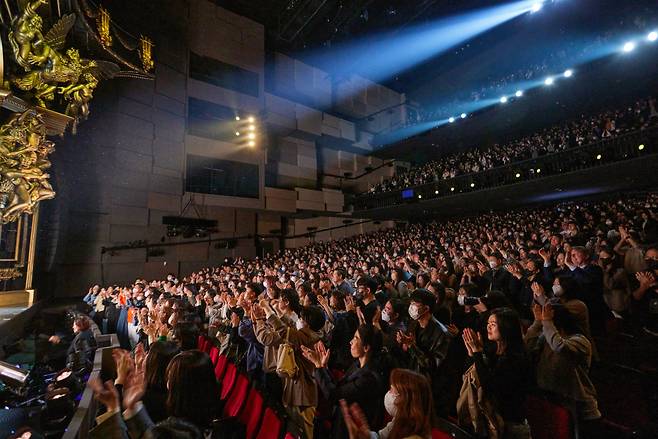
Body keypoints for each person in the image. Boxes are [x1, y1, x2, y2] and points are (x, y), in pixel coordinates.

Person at [89, 350, 221, 438]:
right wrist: (133, 407)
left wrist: (112, 408)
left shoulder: (179, 430)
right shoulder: (199, 424)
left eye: (170, 378)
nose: (167, 382)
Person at [525, 302, 602, 434]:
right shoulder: (546, 337)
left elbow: (559, 346)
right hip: (552, 401)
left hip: (579, 407)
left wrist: (547, 322)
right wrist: (537, 323)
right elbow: (527, 348)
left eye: (547, 321)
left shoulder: (580, 341)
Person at [303, 325, 385, 439]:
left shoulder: (369, 379)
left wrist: (318, 367)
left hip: (350, 432)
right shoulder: (357, 364)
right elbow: (339, 387)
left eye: (356, 338)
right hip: (340, 422)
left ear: (366, 347)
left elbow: (334, 395)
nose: (351, 342)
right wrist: (324, 367)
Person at [462, 307, 531, 436]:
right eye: (488, 324)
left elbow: (489, 386)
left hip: (509, 422)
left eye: (493, 324)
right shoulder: (493, 350)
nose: (488, 327)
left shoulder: (516, 358)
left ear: (507, 327)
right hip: (491, 417)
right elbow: (471, 374)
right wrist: (473, 354)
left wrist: (477, 353)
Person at [397, 289, 451, 415]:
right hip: (411, 379)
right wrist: (404, 344)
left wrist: (412, 346)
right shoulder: (414, 324)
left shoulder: (442, 334)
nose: (411, 307)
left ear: (426, 308)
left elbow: (432, 364)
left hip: (427, 388)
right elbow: (408, 353)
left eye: (415, 304)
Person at [340, 368, 434, 439]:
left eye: (392, 390)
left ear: (407, 401)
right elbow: (381, 437)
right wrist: (367, 435)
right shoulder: (398, 422)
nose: (388, 394)